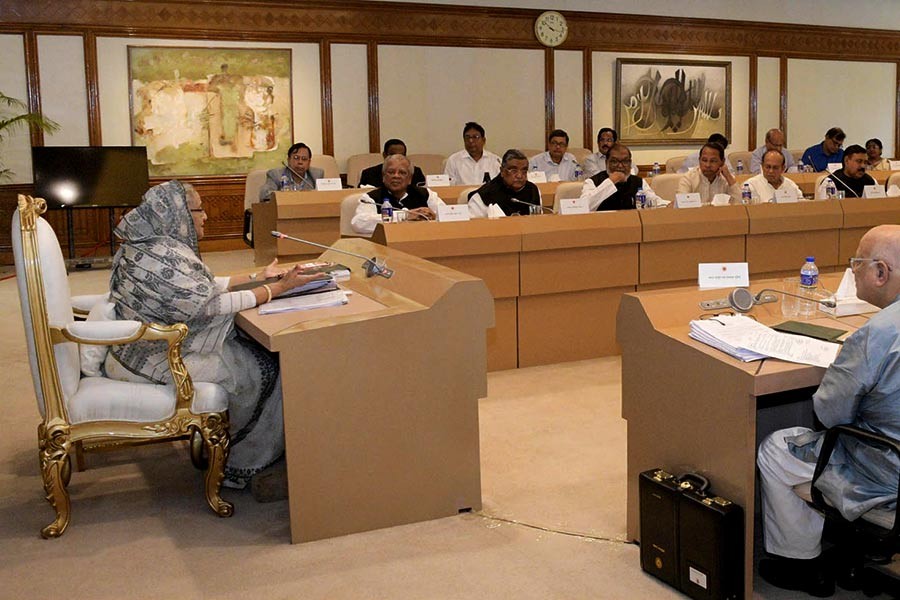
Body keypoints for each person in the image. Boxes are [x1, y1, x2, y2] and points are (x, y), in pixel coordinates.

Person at [107, 180, 328, 491]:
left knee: (254, 348)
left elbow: (202, 287)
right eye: (199, 210)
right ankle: (242, 462)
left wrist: (257, 277)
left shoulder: (152, 244)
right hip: (158, 359)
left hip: (141, 349)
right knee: (267, 367)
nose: (206, 216)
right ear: (178, 214)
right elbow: (209, 306)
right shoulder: (162, 256)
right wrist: (278, 288)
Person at [756, 224, 900, 596]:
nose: (852, 270)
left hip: (886, 474)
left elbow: (830, 412)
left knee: (775, 448)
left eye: (857, 262)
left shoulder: (878, 333)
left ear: (880, 272)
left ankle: (801, 565)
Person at [351, 154, 444, 236]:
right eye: (391, 172)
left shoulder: (426, 194)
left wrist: (434, 217)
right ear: (383, 177)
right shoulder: (370, 198)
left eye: (402, 173)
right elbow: (359, 223)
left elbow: (446, 215)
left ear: (410, 179)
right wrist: (405, 215)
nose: (396, 176)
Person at [578, 143, 662, 211]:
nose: (620, 166)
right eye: (614, 162)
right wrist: (611, 181)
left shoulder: (639, 182)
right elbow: (584, 206)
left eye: (625, 161)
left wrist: (666, 204)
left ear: (630, 163)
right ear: (606, 163)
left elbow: (655, 201)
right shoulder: (592, 182)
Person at [468, 149, 542, 217]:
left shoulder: (533, 191)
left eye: (524, 171)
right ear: (502, 171)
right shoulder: (484, 196)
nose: (519, 176)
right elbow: (473, 225)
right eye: (514, 171)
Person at [259, 142, 323, 200]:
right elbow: (265, 195)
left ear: (309, 162)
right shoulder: (276, 174)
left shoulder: (316, 175)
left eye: (304, 159)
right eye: (296, 158)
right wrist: (287, 195)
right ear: (289, 160)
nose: (300, 162)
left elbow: (323, 196)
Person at [358, 138, 426, 187]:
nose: (397, 159)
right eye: (393, 155)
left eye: (401, 155)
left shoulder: (415, 172)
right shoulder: (369, 174)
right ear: (384, 155)